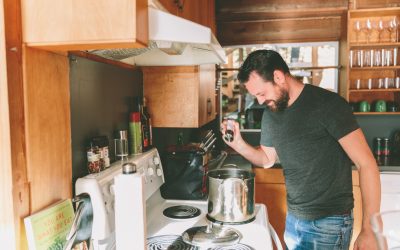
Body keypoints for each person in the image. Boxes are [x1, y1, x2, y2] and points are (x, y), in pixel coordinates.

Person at [221, 50, 381, 250]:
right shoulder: (271, 114)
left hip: (328, 225)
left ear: (278, 77)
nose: (260, 101)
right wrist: (238, 144)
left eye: (261, 93)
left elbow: (366, 164)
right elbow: (267, 159)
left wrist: (370, 229)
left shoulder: (328, 105)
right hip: (294, 220)